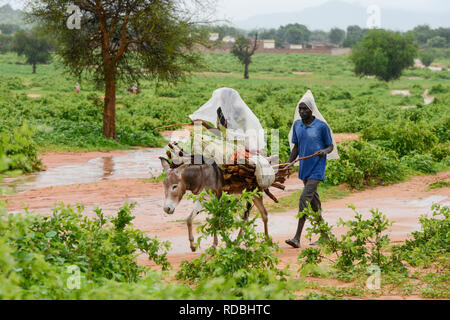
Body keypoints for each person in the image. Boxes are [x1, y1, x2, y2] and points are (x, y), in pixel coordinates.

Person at [285, 90, 339, 249]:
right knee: (315, 204)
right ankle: (325, 236)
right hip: (304, 169)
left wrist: (324, 151)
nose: (302, 112)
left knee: (304, 199)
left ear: (311, 109)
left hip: (317, 168)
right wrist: (289, 162)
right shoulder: (297, 125)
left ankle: (296, 238)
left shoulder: (322, 127)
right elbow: (296, 147)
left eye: (305, 109)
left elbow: (330, 146)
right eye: (300, 109)